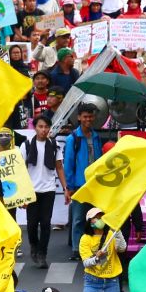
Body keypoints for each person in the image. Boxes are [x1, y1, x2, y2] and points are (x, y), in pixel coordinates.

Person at [23, 113, 67, 269]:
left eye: (46, 127)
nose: (43, 130)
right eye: (40, 126)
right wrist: (22, 195)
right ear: (35, 128)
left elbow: (59, 167)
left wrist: (65, 189)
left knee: (46, 224)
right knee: (32, 224)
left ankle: (42, 254)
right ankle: (34, 246)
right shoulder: (26, 144)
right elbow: (21, 169)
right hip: (31, 191)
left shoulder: (54, 145)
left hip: (48, 190)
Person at [62, 103, 104, 260]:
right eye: (85, 116)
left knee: (96, 217)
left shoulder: (96, 136)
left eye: (90, 116)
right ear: (79, 118)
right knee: (79, 218)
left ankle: (93, 246)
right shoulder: (72, 138)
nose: (88, 119)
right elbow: (68, 164)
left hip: (95, 185)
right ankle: (76, 249)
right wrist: (69, 187)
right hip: (80, 185)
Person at [79, 208, 125, 292]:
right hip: (92, 284)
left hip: (112, 284)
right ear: (90, 221)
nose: (100, 220)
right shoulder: (85, 239)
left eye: (101, 217)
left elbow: (122, 248)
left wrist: (118, 231)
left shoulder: (111, 235)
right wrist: (97, 258)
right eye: (97, 217)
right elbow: (86, 263)